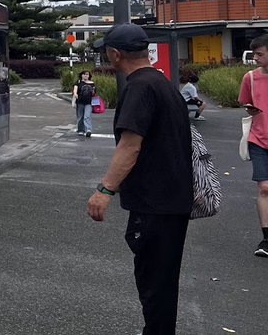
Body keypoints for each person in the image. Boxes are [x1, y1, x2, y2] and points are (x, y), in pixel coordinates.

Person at [86, 23, 192, 334]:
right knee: (162, 283)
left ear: (115, 54)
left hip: (156, 203)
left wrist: (105, 190)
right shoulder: (161, 82)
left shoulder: (139, 87)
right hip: (172, 201)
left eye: (107, 52)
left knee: (154, 285)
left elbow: (130, 145)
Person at [237, 34, 268, 258]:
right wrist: (251, 109)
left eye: (260, 54)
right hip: (258, 138)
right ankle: (266, 238)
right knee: (264, 188)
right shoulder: (250, 77)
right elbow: (246, 104)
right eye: (254, 54)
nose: (255, 58)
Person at [71, 70, 96, 138]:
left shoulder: (92, 83)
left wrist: (93, 91)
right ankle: (81, 130)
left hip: (89, 102)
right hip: (80, 102)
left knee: (87, 116)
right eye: (84, 74)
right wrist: (75, 94)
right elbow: (75, 90)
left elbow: (94, 94)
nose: (85, 75)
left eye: (87, 74)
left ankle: (88, 130)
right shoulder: (78, 82)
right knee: (80, 117)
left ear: (89, 76)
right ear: (81, 75)